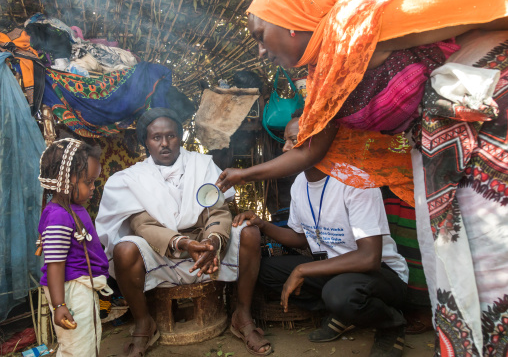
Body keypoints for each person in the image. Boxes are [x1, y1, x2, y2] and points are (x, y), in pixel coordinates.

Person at [215, 0, 508, 356]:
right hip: (437, 145)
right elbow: (311, 152)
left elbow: (466, 11)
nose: (260, 51)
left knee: (490, 263)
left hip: (485, 117)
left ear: (291, 22)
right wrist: (245, 179)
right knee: (451, 261)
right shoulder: (324, 76)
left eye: (261, 36)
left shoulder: (354, 24)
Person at [95, 108, 271, 356]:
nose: (164, 143)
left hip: (208, 247)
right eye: (156, 137)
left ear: (180, 137)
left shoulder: (203, 165)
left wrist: (212, 242)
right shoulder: (130, 178)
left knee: (249, 233)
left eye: (171, 136)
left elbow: (217, 211)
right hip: (163, 250)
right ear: (146, 142)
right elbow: (142, 225)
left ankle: (242, 316)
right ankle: (144, 324)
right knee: (124, 249)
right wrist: (183, 243)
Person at [234, 117, 409, 356]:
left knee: (339, 293)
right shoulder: (299, 185)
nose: (285, 149)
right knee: (265, 271)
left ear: (320, 144)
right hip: (334, 270)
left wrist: (302, 270)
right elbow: (301, 237)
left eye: (294, 141)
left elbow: (369, 258)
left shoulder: (356, 181)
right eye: (285, 141)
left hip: (381, 275)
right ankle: (342, 313)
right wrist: (263, 225)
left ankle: (391, 324)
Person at [37, 138, 110, 357]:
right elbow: (55, 264)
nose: (93, 188)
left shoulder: (73, 208)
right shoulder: (59, 216)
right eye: (89, 182)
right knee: (77, 348)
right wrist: (60, 305)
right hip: (70, 289)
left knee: (87, 342)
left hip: (80, 287)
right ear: (65, 181)